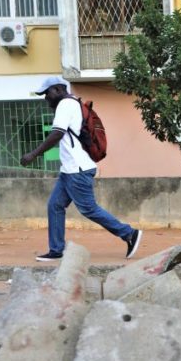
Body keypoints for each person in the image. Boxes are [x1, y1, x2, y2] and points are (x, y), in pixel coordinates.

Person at [21, 76, 142, 261]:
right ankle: (56, 250)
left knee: (89, 209)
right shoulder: (70, 104)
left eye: (47, 93)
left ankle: (129, 233)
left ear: (58, 90)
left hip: (77, 170)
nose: (46, 98)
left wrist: (33, 154)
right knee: (55, 205)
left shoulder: (65, 105)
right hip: (69, 170)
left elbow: (57, 134)